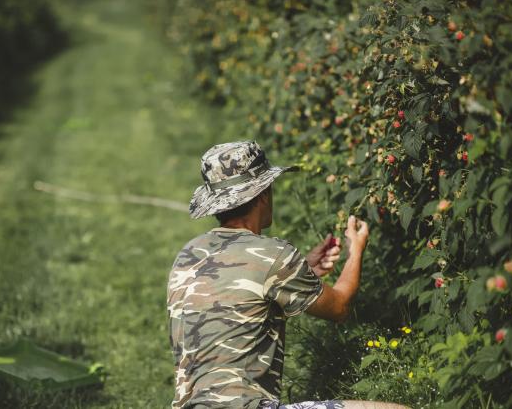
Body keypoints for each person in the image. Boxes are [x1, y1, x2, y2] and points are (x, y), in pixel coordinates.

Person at [167, 141, 407, 409]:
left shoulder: (188, 255)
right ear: (263, 194)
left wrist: (302, 268)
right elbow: (339, 307)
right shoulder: (274, 255)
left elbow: (239, 291)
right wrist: (356, 251)